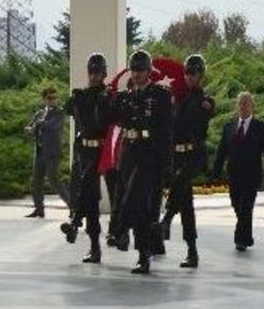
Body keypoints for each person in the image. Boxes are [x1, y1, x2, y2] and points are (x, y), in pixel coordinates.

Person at [113, 50, 173, 274]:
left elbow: (167, 132)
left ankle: (121, 230)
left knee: (139, 200)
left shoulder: (160, 96)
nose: (137, 74)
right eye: (134, 70)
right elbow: (113, 119)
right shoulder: (126, 97)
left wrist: (167, 165)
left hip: (150, 155)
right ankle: (142, 255)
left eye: (141, 70)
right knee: (139, 207)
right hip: (129, 154)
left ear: (149, 71)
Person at [161, 54, 215, 269]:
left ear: (201, 76)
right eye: (187, 73)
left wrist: (207, 104)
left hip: (194, 156)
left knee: (182, 182)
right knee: (186, 204)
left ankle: (166, 219)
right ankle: (192, 252)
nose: (190, 77)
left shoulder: (204, 101)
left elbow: (209, 109)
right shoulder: (178, 101)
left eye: (194, 73)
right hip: (178, 156)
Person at [60, 53, 112, 263]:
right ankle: (93, 246)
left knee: (116, 195)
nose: (95, 76)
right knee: (90, 197)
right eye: (92, 71)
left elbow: (110, 116)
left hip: (104, 151)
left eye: (98, 72)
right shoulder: (81, 96)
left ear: (104, 73)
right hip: (87, 151)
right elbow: (68, 108)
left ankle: (76, 222)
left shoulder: (108, 96)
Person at [211, 91, 264, 251]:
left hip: (252, 175)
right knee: (236, 205)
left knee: (246, 207)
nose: (242, 106)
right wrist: (215, 172)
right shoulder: (229, 127)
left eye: (246, 103)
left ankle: (240, 239)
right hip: (234, 174)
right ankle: (246, 236)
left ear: (252, 106)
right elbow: (222, 151)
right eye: (240, 103)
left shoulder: (261, 127)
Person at [25, 86, 70, 218]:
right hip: (39, 151)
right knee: (37, 181)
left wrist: (38, 124)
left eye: (55, 98)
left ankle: (72, 205)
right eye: (50, 98)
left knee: (53, 179)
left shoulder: (59, 112)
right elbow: (30, 127)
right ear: (44, 99)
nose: (53, 101)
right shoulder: (39, 113)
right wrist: (29, 129)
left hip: (52, 152)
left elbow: (52, 125)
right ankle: (39, 209)